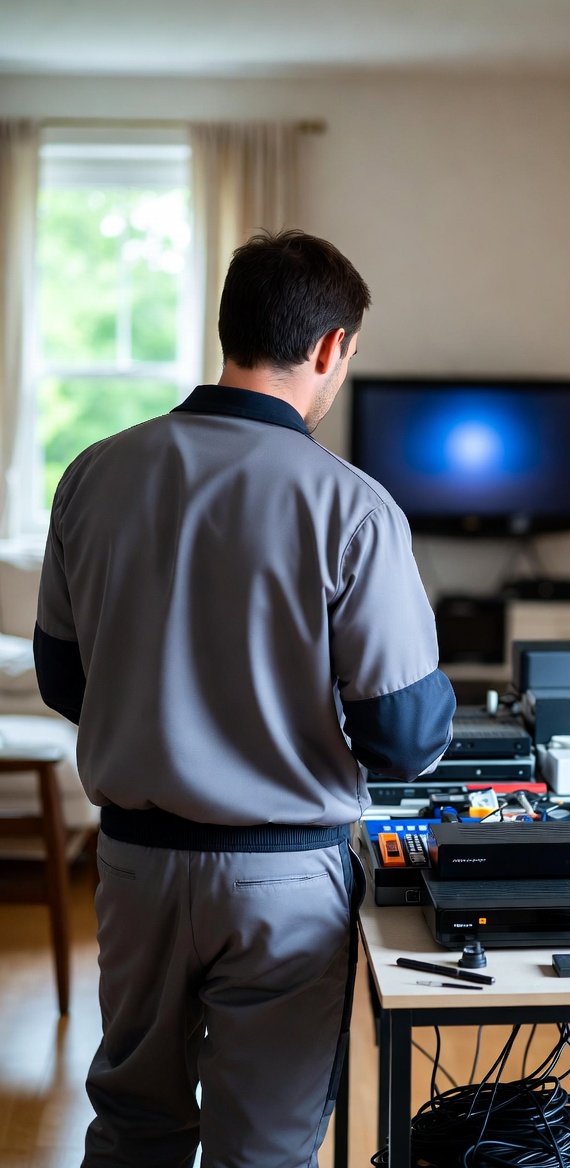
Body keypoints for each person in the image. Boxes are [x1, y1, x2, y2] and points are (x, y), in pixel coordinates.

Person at [34, 229, 456, 1168]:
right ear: (331, 348)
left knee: (132, 1131)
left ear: (230, 328)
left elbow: (64, 679)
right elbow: (402, 733)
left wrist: (165, 720)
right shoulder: (353, 507)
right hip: (283, 884)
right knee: (261, 1150)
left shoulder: (93, 474)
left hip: (136, 870)